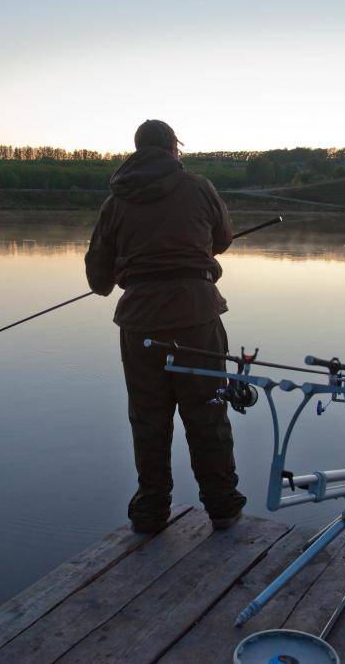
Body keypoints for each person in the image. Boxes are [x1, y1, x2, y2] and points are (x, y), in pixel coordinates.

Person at [85, 119, 247, 533]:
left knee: (148, 418)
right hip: (197, 318)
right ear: (174, 148)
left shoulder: (116, 201)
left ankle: (151, 511)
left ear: (137, 149)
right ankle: (223, 508)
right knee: (208, 412)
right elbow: (223, 238)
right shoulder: (199, 187)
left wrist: (128, 269)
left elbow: (98, 280)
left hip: (140, 325)